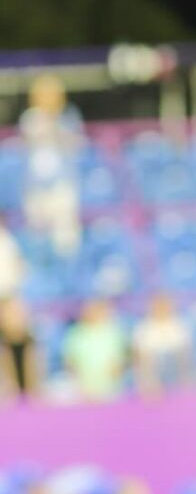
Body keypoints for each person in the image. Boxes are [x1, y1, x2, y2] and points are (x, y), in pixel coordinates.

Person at [19, 74, 84, 260]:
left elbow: (74, 143)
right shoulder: (30, 117)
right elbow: (29, 140)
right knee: (36, 234)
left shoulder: (68, 117)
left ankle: (68, 273)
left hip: (62, 185)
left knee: (66, 237)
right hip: (36, 187)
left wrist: (55, 122)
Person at [61, 299, 129, 402]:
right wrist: (79, 384)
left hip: (110, 387)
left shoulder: (113, 332)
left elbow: (119, 361)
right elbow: (70, 361)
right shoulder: (77, 333)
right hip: (82, 388)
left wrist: (111, 382)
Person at [132, 293, 196, 398]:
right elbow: (139, 354)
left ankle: (181, 391)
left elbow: (186, 353)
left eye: (164, 306)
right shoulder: (144, 327)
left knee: (179, 358)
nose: (161, 310)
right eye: (157, 307)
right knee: (148, 359)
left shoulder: (179, 325)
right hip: (152, 368)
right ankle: (152, 392)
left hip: (174, 366)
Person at [0, 298, 43, 402]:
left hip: (31, 402)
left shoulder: (33, 343)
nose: (15, 318)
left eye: (18, 313)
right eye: (9, 314)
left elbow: (39, 381)